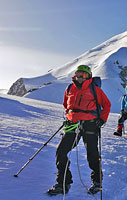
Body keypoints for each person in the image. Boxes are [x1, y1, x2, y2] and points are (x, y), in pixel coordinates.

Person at [47, 65, 111, 195]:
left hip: (91, 124)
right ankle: (63, 183)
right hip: (72, 124)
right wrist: (69, 116)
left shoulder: (95, 89)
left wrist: (102, 119)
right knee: (61, 151)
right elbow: (66, 105)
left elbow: (107, 104)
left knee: (92, 153)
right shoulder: (70, 88)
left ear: (89, 76)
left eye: (84, 75)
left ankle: (97, 182)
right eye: (78, 74)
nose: (80, 77)